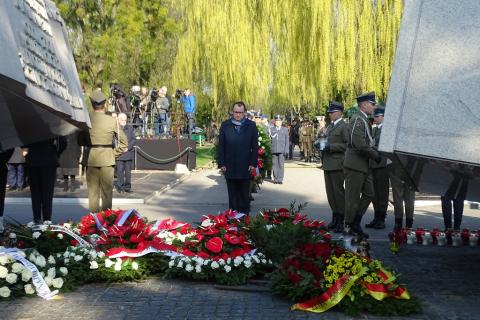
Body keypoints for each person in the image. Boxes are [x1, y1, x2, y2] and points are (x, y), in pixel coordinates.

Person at [78, 89, 128, 213]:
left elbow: (79, 141)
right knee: (107, 192)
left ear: (91, 104)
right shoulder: (112, 121)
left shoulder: (86, 120)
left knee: (93, 193)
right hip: (107, 159)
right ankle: (106, 221)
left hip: (91, 158)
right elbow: (124, 143)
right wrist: (113, 153)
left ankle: (93, 222)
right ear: (104, 104)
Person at [343, 92, 381, 237]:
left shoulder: (364, 119)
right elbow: (359, 144)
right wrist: (375, 155)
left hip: (363, 164)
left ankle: (355, 222)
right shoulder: (358, 120)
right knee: (352, 198)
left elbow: (367, 143)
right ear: (364, 104)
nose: (374, 106)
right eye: (372, 104)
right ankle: (349, 226)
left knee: (369, 193)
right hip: (355, 165)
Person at [217, 101, 258, 214]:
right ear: (232, 112)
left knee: (244, 196)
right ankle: (233, 221)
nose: (238, 115)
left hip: (246, 166)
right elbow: (221, 146)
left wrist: (252, 164)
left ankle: (244, 220)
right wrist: (222, 163)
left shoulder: (251, 126)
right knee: (233, 196)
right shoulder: (225, 125)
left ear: (244, 112)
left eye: (240, 112)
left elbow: (255, 146)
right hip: (230, 166)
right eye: (235, 112)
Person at [25, 137, 67, 223]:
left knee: (35, 193)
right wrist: (55, 152)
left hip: (33, 158)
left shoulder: (29, 124)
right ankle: (47, 220)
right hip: (49, 157)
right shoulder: (52, 123)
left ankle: (37, 219)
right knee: (47, 193)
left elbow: (23, 142)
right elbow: (63, 142)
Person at [321, 101, 349, 233]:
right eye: (330, 113)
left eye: (332, 112)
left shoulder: (344, 127)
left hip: (338, 164)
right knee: (330, 193)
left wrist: (331, 147)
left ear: (339, 112)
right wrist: (320, 144)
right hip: (327, 163)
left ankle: (341, 219)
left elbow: (347, 145)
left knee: (338, 193)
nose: (330, 114)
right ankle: (335, 217)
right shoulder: (330, 126)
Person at [365, 107, 390, 229]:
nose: (374, 118)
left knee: (382, 193)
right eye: (374, 116)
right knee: (374, 193)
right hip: (373, 164)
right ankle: (376, 217)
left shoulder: (387, 130)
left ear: (383, 116)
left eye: (377, 116)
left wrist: (371, 147)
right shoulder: (374, 130)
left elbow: (380, 146)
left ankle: (382, 218)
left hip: (381, 164)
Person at [389, 157, 416, 231]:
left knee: (398, 197)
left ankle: (398, 223)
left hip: (397, 165)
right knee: (410, 198)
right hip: (412, 167)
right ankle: (409, 224)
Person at [115, 113, 136, 193]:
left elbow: (134, 139)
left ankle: (127, 187)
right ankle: (120, 187)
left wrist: (128, 148)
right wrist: (120, 148)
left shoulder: (130, 128)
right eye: (122, 120)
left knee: (128, 172)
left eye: (125, 120)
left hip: (128, 154)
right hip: (120, 154)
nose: (124, 121)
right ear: (119, 120)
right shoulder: (116, 129)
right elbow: (114, 141)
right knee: (119, 171)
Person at [269, 115, 289, 184]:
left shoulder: (285, 129)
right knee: (274, 164)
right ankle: (275, 179)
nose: (278, 122)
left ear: (281, 122)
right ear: (275, 122)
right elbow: (270, 140)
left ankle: (280, 179)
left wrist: (286, 150)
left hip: (282, 149)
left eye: (279, 121)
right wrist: (270, 149)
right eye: (277, 121)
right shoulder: (272, 129)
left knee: (281, 164)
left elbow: (287, 140)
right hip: (274, 149)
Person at [0, 148, 14, 233]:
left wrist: (3, 159)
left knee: (1, 196)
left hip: (1, 167)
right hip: (1, 164)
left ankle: (0, 222)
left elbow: (10, 148)